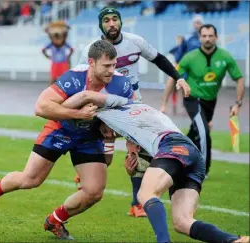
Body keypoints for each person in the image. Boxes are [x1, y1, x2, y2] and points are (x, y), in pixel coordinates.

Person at [0, 40, 134, 240]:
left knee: (94, 192)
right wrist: (78, 114)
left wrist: (127, 146)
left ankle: (55, 220)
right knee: (31, 179)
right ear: (91, 63)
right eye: (106, 66)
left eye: (114, 65)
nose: (111, 70)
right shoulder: (74, 78)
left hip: (89, 137)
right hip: (60, 129)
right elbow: (41, 108)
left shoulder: (122, 84)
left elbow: (133, 118)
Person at [59, 91, 249, 243]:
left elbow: (86, 96)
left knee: (146, 194)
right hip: (190, 155)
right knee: (182, 222)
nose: (109, 135)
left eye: (105, 131)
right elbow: (157, 166)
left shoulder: (107, 112)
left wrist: (58, 109)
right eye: (106, 136)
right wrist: (132, 170)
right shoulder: (135, 120)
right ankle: (234, 240)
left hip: (173, 145)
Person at [77, 6, 190, 217]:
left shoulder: (135, 41)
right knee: (101, 149)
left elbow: (159, 59)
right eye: (107, 20)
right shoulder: (91, 50)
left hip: (132, 103)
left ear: (120, 21)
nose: (112, 24)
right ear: (100, 25)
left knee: (137, 151)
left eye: (115, 19)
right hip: (103, 105)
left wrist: (179, 77)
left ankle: (136, 204)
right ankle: (85, 174)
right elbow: (79, 78)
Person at [161, 24, 245, 178]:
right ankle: (202, 171)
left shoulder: (225, 56)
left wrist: (238, 103)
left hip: (210, 102)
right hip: (192, 99)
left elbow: (239, 78)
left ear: (216, 38)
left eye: (210, 36)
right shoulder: (189, 57)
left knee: (194, 134)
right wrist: (164, 104)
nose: (207, 39)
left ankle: (172, 154)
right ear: (199, 38)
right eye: (204, 36)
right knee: (204, 131)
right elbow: (173, 78)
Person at [164, 14, 204, 115]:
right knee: (173, 80)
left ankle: (194, 106)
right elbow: (179, 52)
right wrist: (175, 62)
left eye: (199, 22)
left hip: (199, 68)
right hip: (186, 67)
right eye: (195, 22)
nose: (197, 25)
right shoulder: (188, 37)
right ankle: (165, 104)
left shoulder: (205, 37)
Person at [42, 20, 74, 85]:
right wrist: (48, 57)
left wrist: (68, 57)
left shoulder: (64, 43)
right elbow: (43, 50)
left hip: (63, 63)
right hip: (55, 63)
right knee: (53, 79)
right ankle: (51, 92)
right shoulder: (51, 44)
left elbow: (72, 49)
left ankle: (65, 92)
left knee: (65, 79)